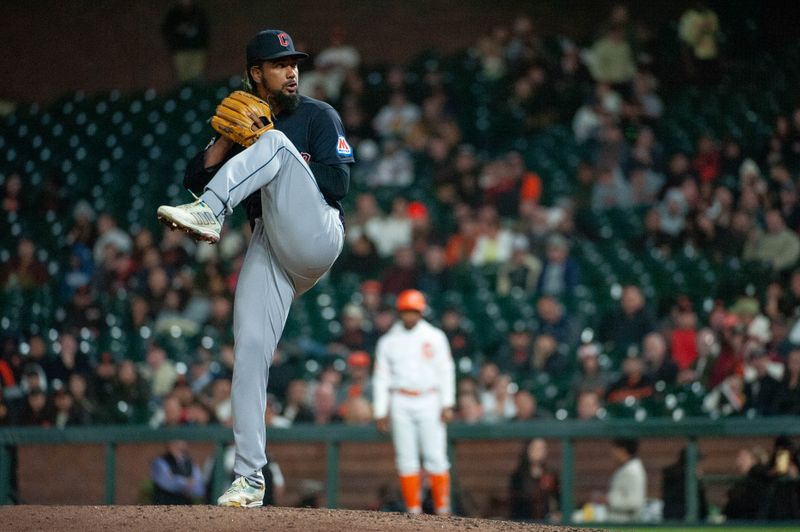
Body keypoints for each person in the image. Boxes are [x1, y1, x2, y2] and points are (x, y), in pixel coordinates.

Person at [157, 29, 354, 508]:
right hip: (271, 244)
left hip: (318, 232)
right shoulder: (245, 115)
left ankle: (211, 213)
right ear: (255, 73)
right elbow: (194, 174)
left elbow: (339, 181)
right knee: (247, 352)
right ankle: (249, 478)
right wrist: (226, 139)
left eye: (295, 63)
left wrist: (278, 149)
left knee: (274, 144)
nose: (292, 71)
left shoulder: (317, 115)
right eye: (279, 64)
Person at [373, 289, 455, 515]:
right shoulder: (388, 341)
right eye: (406, 311)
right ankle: (413, 510)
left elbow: (446, 370)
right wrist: (381, 410)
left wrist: (447, 403)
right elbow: (381, 378)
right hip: (400, 399)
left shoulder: (435, 336)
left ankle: (443, 509)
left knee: (436, 457)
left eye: (414, 311)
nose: (410, 316)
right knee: (406, 459)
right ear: (400, 312)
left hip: (430, 397)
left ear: (421, 312)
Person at [509, 438, 560, 521]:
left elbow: (558, 500)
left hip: (546, 522)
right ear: (528, 449)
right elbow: (515, 505)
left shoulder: (551, 475)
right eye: (536, 448)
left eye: (543, 448)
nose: (540, 452)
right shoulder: (518, 477)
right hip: (524, 521)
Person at [161, 0, 210, 83]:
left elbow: (205, 29)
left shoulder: (197, 11)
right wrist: (178, 32)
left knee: (196, 76)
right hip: (181, 50)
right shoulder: (174, 14)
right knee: (183, 77)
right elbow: (166, 30)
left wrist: (204, 44)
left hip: (197, 49)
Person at [150, 440, 205, 505]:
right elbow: (168, 482)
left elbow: (199, 488)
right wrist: (187, 483)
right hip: (164, 507)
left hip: (185, 508)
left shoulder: (190, 462)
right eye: (175, 441)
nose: (179, 444)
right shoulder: (160, 461)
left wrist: (189, 485)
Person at [606, 438, 647, 522]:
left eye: (614, 449)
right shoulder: (626, 468)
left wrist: (607, 500)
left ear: (623, 450)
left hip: (627, 525)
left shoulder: (632, 471)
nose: (611, 453)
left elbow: (635, 502)